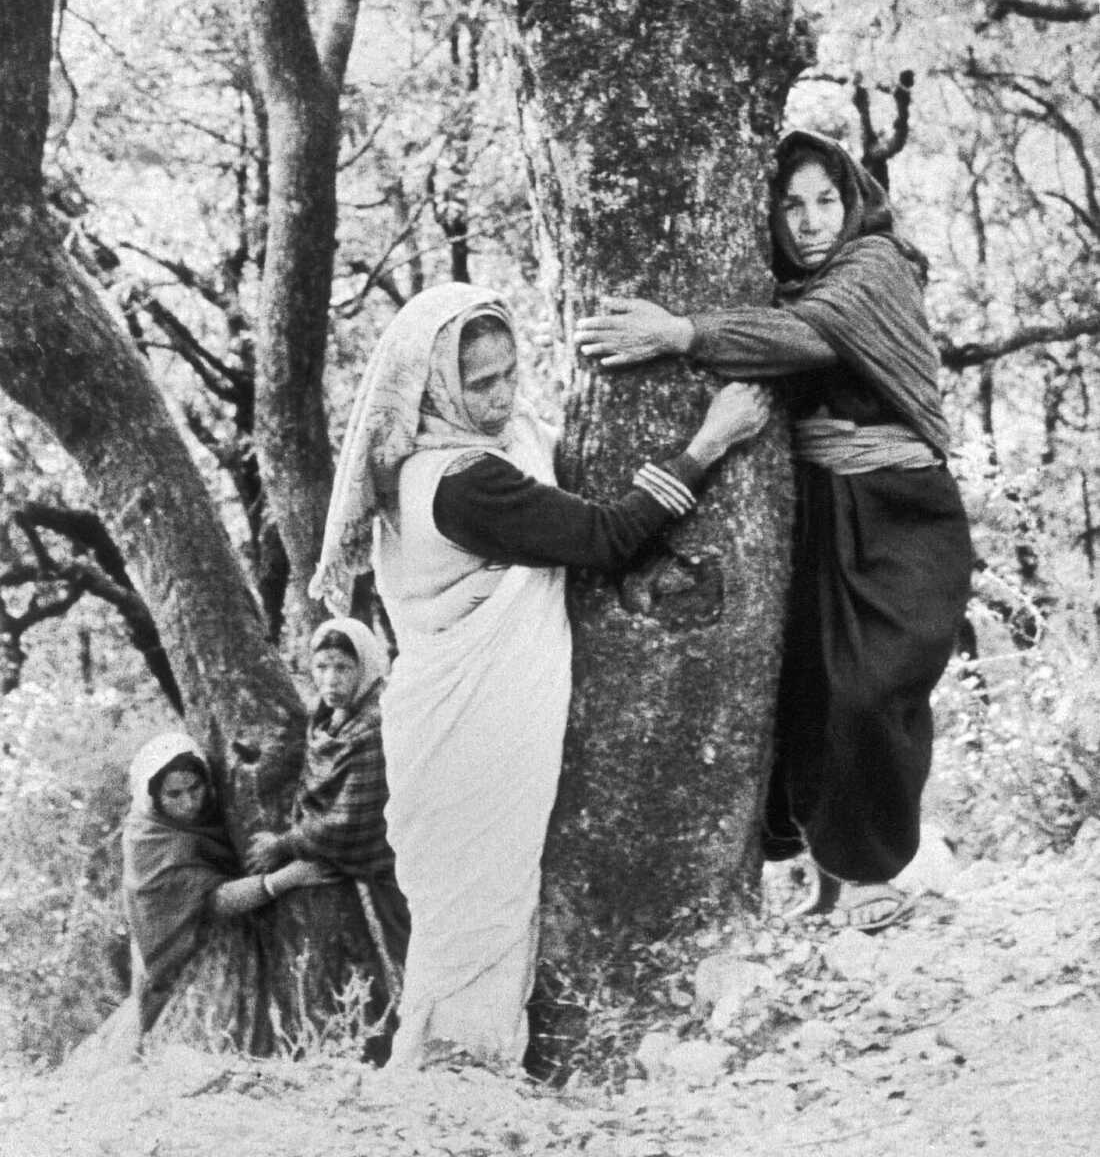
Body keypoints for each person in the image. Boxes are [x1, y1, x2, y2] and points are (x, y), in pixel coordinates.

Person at [308, 280, 767, 1070]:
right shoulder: (461, 481)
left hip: (458, 706)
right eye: (478, 383)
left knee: (482, 901)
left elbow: (538, 456)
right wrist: (711, 442)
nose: (499, 398)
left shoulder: (466, 450)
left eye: (508, 373)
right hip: (467, 721)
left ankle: (462, 1060)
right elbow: (606, 536)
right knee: (475, 906)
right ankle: (454, 1068)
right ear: (432, 387)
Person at [576, 129, 973, 932]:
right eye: (791, 205)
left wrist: (680, 333)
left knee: (872, 689)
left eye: (826, 200)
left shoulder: (874, 268)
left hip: (901, 507)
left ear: (853, 203)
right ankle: (833, 877)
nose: (810, 221)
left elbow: (810, 338)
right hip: (824, 506)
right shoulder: (783, 289)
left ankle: (872, 871)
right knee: (811, 687)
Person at [122, 731, 330, 1038]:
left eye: (195, 788)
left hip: (235, 937)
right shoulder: (149, 839)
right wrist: (285, 879)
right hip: (185, 954)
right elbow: (213, 901)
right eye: (174, 795)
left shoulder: (213, 814)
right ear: (153, 796)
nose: (189, 803)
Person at [246, 616, 409, 1007]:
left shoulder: (374, 725)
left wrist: (284, 844)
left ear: (365, 667)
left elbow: (351, 821)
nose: (331, 679)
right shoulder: (326, 719)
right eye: (322, 667)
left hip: (386, 869)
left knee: (403, 952)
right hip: (347, 874)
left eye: (343, 668)